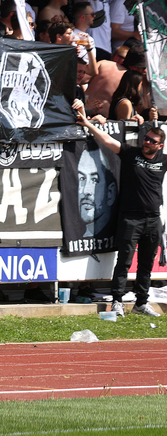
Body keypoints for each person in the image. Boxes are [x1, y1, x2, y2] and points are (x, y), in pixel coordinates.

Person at [76, 104, 165, 318]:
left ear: (160, 146)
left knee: (146, 264)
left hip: (153, 220)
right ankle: (116, 300)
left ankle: (141, 303)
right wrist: (88, 124)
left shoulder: (163, 161)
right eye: (146, 139)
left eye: (153, 141)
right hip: (130, 218)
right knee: (124, 261)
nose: (147, 142)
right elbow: (107, 140)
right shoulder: (130, 153)